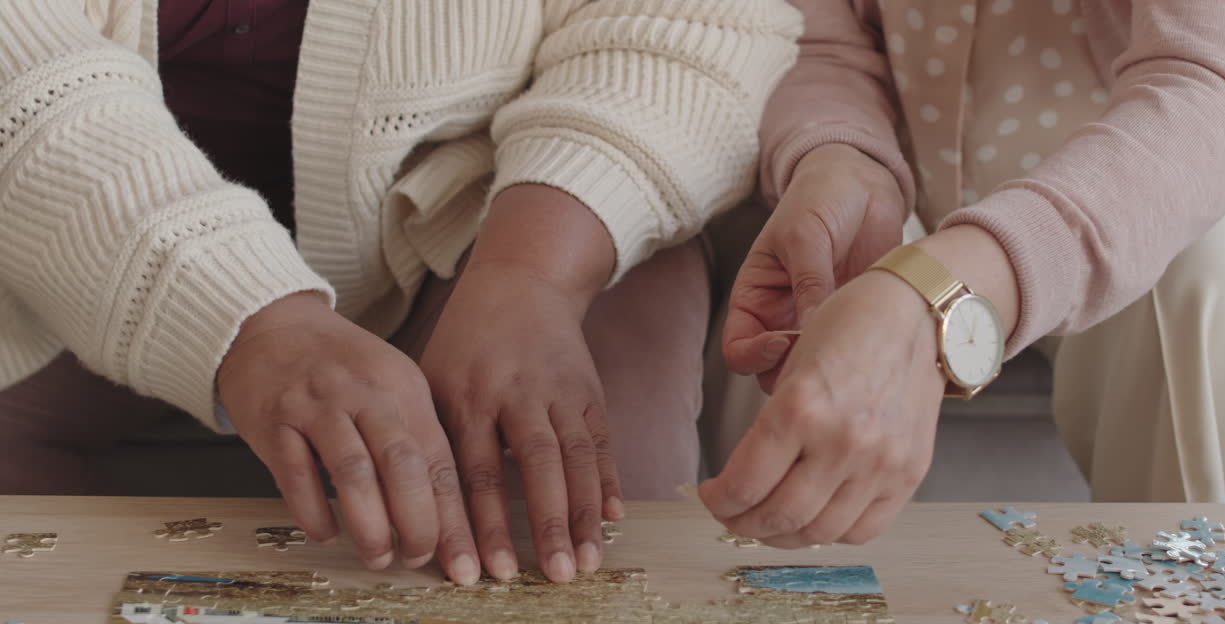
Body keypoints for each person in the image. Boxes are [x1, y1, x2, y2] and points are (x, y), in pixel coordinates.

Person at [0, 0, 802, 582]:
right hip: (43, 244)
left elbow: (698, 25)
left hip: (474, 221)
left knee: (577, 500)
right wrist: (250, 320)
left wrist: (534, 275)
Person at [702, 0, 1225, 547]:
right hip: (899, 173)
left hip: (1134, 186)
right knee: (811, 276)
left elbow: (1208, 84)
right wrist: (840, 158)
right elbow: (815, 41)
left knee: (1211, 283)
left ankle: (1218, 623)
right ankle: (790, 618)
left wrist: (944, 288)